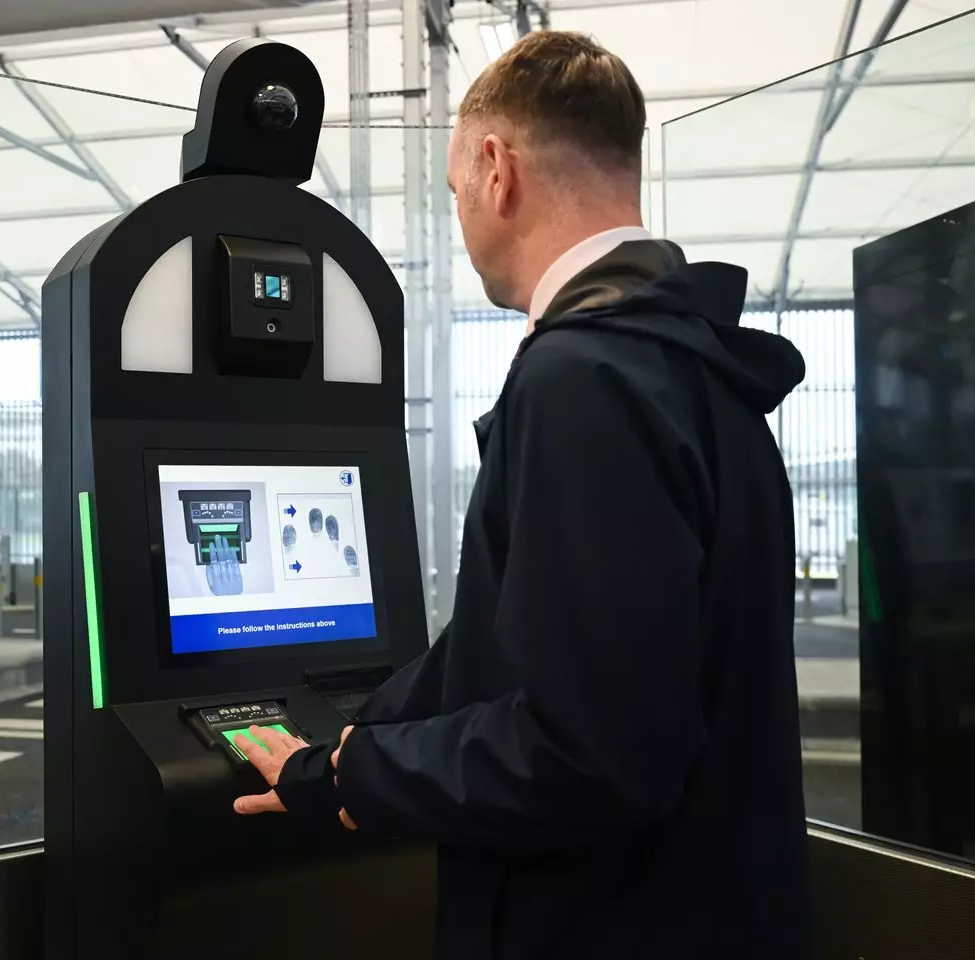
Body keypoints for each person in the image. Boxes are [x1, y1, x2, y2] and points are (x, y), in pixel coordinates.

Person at [233, 29, 812, 958]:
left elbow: (592, 752)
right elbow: (521, 637)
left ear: (497, 170)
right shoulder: (695, 368)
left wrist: (368, 774)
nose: (462, 219)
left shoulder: (582, 379)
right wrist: (352, 741)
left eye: (458, 190)